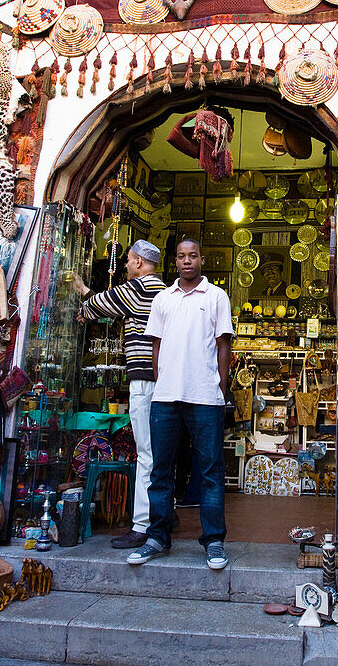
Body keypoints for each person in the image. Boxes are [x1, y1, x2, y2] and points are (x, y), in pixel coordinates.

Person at [128, 238, 233, 570]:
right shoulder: (162, 299)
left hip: (205, 397)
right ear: (174, 262)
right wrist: (161, 382)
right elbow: (156, 347)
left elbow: (223, 347)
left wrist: (219, 389)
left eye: (193, 256)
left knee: (211, 473)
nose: (187, 261)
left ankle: (213, 541)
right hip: (165, 398)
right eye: (181, 256)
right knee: (161, 470)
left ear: (202, 259)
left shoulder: (217, 297)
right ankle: (156, 537)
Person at [73, 239, 166, 549]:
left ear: (138, 262)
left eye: (128, 260)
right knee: (159, 451)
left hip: (144, 381)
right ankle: (165, 513)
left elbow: (99, 303)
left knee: (146, 452)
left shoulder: (138, 289)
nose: (125, 265)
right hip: (163, 381)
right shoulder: (163, 291)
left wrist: (80, 290)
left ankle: (141, 525)